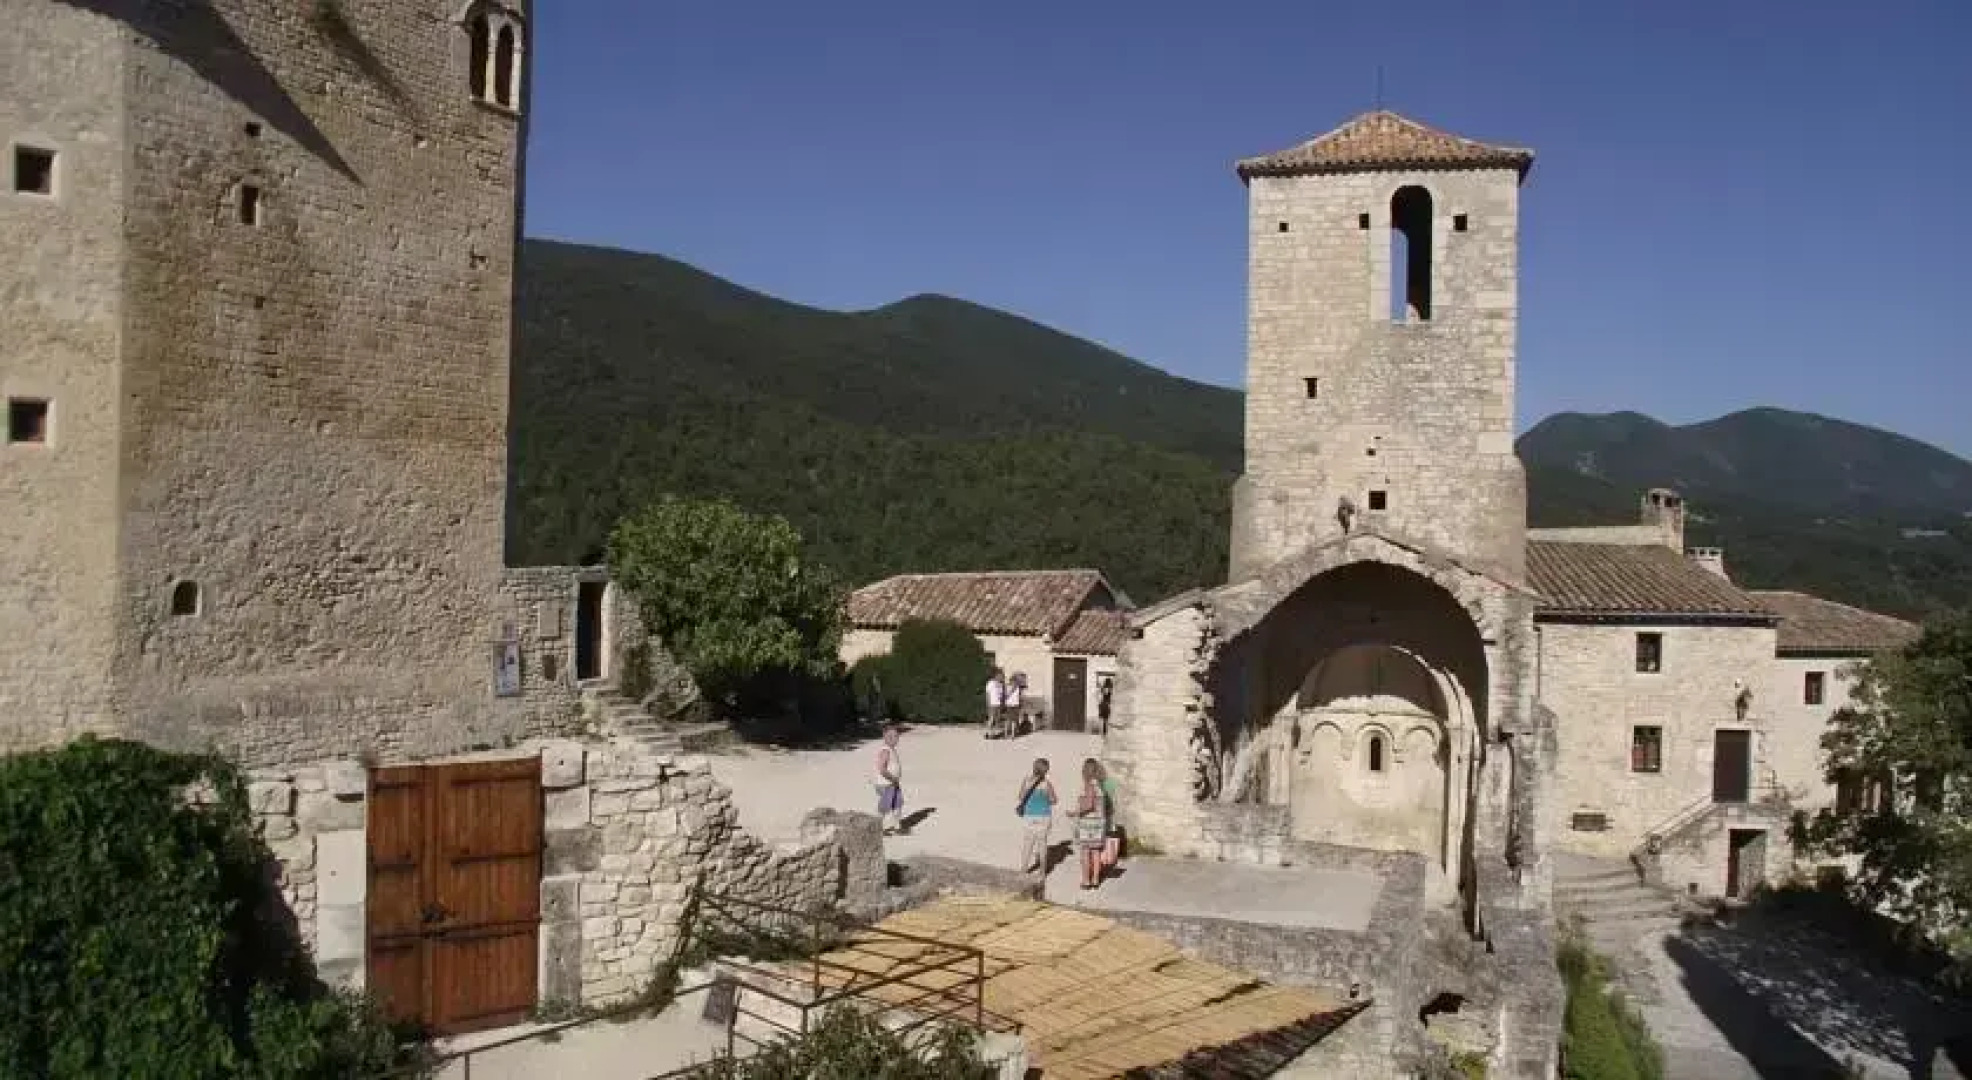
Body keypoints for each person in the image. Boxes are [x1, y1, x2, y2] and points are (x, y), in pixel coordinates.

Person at [1015, 758, 1057, 874]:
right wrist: (1044, 799)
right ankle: (1042, 871)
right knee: (1042, 844)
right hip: (1044, 816)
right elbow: (1054, 800)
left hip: (1029, 816)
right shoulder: (1046, 784)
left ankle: (1024, 868)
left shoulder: (1026, 781)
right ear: (1046, 771)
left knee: (1027, 843)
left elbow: (1021, 797)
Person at [1073, 758, 1110, 890]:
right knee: (1095, 852)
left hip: (1088, 822)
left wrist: (1075, 813)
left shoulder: (1089, 785)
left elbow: (1089, 805)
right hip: (1099, 822)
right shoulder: (1100, 786)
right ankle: (1095, 880)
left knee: (1085, 852)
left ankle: (1086, 880)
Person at [873, 724, 905, 835]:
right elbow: (882, 769)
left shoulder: (892, 750)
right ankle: (877, 828)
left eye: (896, 736)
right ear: (884, 737)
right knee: (884, 806)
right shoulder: (885, 750)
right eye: (890, 736)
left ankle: (897, 826)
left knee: (898, 804)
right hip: (886, 784)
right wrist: (893, 779)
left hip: (893, 783)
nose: (894, 739)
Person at [984, 670, 1007, 738]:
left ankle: (993, 734)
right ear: (996, 675)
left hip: (998, 704)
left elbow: (1001, 695)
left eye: (1002, 676)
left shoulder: (1001, 684)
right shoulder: (990, 683)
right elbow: (988, 694)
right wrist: (988, 703)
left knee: (997, 719)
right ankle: (988, 733)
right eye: (1001, 676)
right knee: (991, 719)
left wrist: (1002, 704)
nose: (1002, 677)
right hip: (992, 704)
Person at [1006, 672, 1027, 737]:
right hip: (1015, 704)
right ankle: (1012, 734)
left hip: (1009, 704)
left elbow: (1006, 695)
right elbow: (1019, 697)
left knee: (1009, 719)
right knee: (1014, 719)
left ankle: (1007, 734)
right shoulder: (1017, 688)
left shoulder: (1007, 686)